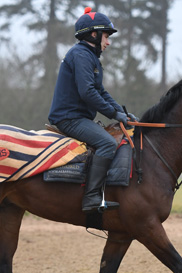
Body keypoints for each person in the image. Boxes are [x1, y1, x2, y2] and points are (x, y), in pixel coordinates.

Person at [48, 7, 136, 213]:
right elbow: (87, 92)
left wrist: (121, 112)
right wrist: (114, 114)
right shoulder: (81, 55)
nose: (108, 42)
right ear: (94, 34)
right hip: (69, 118)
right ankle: (91, 198)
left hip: (77, 117)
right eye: (106, 37)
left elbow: (100, 92)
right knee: (106, 143)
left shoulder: (89, 57)